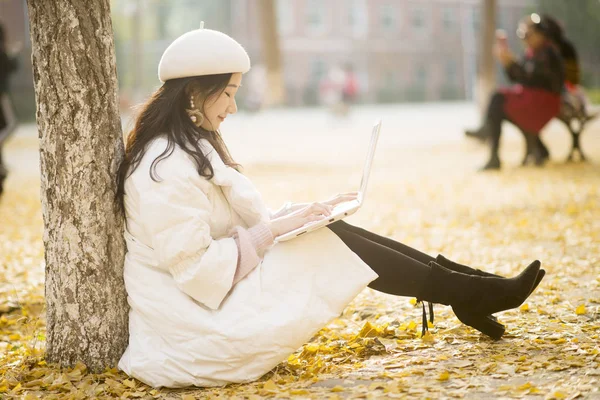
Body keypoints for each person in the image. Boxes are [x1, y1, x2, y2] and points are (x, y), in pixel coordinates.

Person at [116, 26, 545, 388]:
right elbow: (196, 272)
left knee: (326, 227)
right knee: (326, 239)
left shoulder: (184, 150)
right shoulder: (165, 166)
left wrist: (301, 215)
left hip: (211, 305)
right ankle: (472, 293)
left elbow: (227, 238)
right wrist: (280, 229)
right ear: (194, 92)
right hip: (195, 333)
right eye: (227, 94)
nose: (233, 106)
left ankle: (472, 288)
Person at [466, 14, 564, 170]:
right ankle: (536, 148)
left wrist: (512, 63)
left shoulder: (547, 53)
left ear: (540, 33)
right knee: (498, 102)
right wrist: (507, 63)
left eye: (527, 34)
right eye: (522, 34)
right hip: (531, 99)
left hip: (544, 101)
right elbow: (519, 78)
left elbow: (533, 79)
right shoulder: (532, 52)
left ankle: (493, 150)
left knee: (498, 99)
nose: (524, 39)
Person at [0, 23, 20, 197]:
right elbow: (13, 66)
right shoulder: (3, 55)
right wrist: (12, 52)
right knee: (12, 126)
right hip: (2, 99)